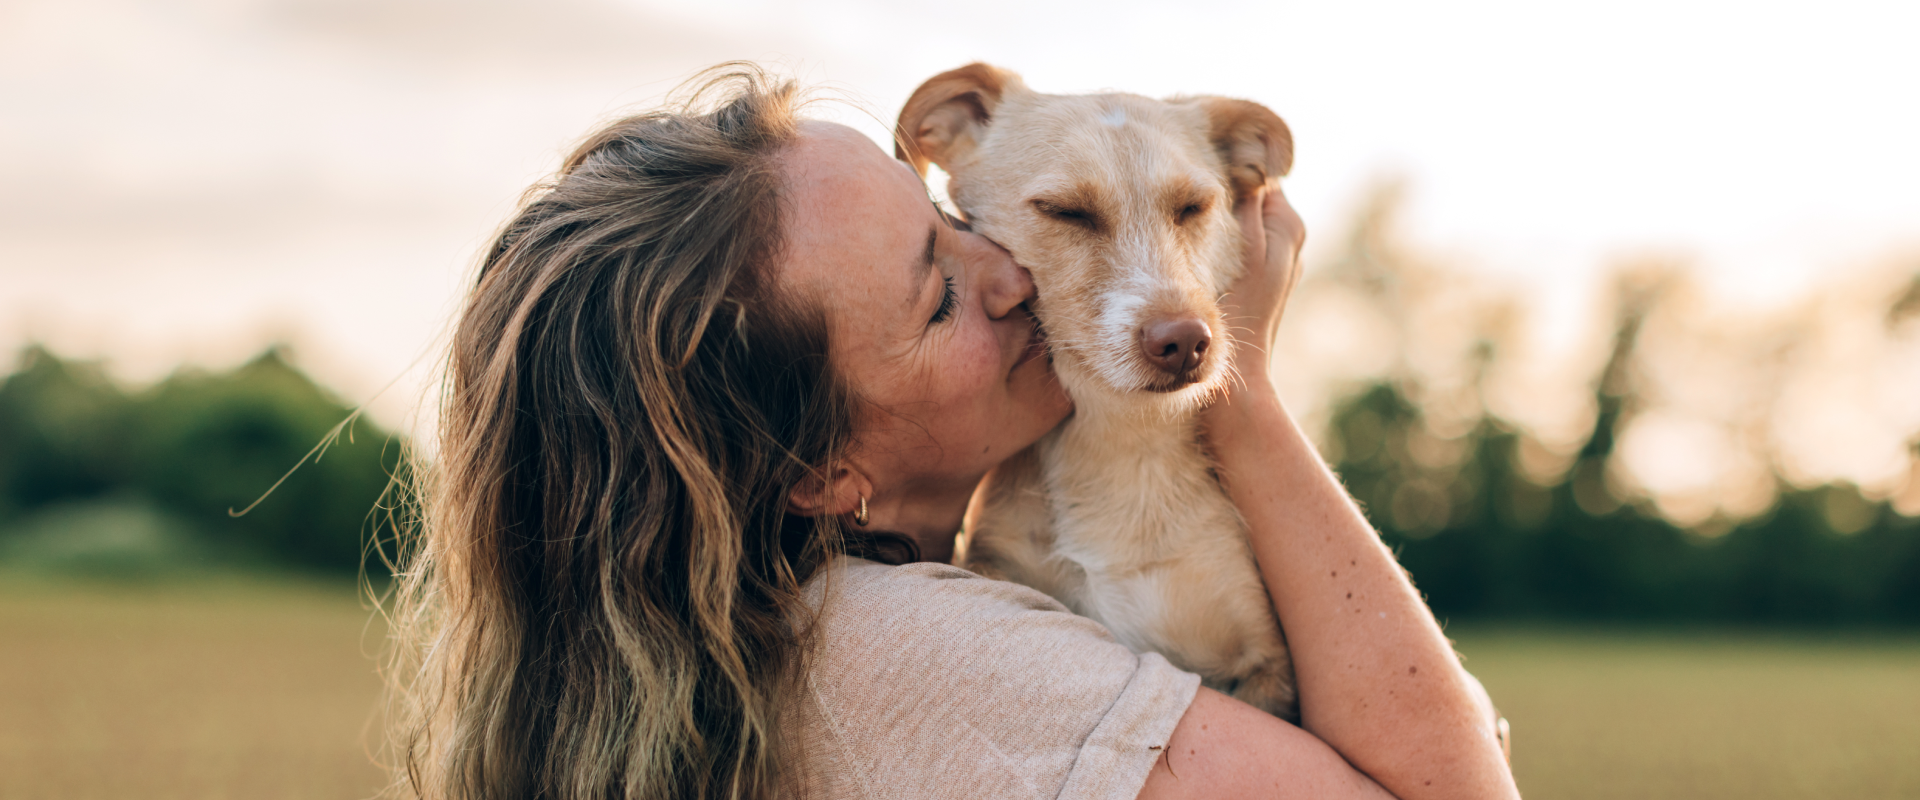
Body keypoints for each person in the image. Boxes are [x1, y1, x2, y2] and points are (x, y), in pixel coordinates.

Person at [387, 65, 1520, 800]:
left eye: (944, 220)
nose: (1010, 280)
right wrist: (1250, 387)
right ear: (820, 474)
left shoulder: (793, 618)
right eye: (935, 295)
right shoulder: (907, 651)